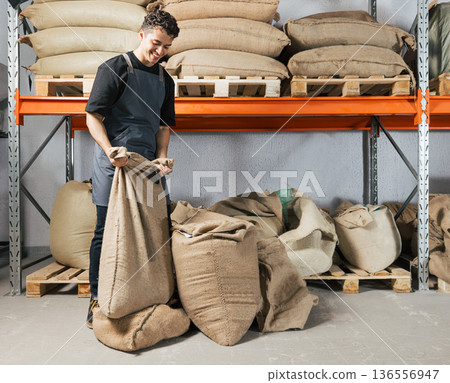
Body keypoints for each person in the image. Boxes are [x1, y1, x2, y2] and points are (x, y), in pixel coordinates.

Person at [84, 10, 179, 328]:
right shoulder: (114, 69)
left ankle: (150, 293)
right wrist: (109, 149)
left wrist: (163, 156)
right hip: (114, 164)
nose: (160, 52)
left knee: (157, 230)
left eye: (166, 47)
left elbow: (164, 126)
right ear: (142, 35)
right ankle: (98, 298)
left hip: (148, 168)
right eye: (156, 43)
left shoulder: (166, 80)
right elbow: (92, 116)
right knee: (104, 231)